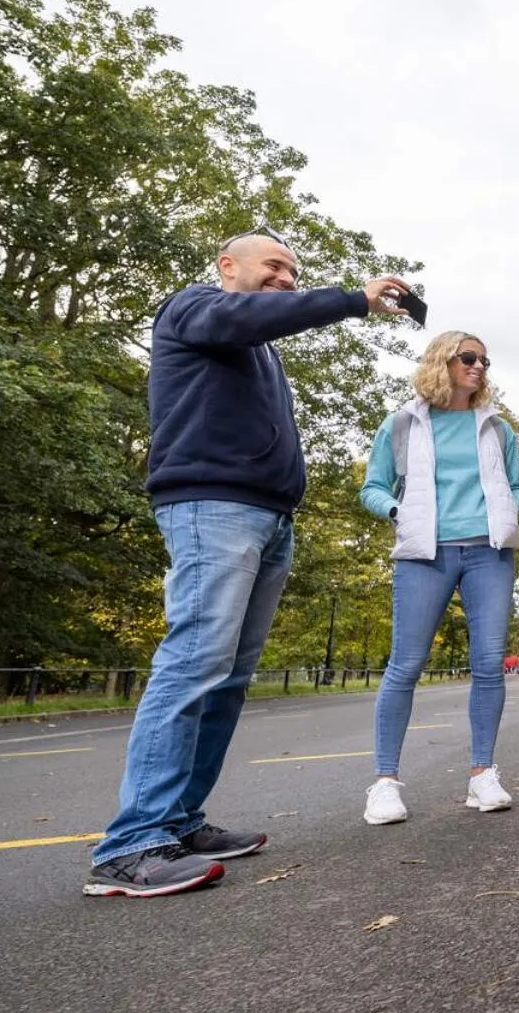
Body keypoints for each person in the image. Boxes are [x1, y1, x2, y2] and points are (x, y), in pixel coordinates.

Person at [85, 228, 409, 898]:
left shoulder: (255, 347)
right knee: (194, 661)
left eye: (294, 270)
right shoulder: (195, 307)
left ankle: (177, 821)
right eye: (274, 265)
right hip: (212, 508)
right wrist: (353, 298)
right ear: (227, 266)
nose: (286, 278)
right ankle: (130, 845)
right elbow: (248, 315)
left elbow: (259, 328)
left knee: (228, 677)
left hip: (266, 518)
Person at [358, 332, 519, 826]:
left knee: (490, 662)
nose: (479, 367)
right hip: (423, 554)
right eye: (469, 358)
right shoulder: (403, 425)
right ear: (442, 361)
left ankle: (482, 775)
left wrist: (509, 511)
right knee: (405, 665)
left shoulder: (498, 429)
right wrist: (398, 512)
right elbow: (373, 486)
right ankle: (385, 784)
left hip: (487, 554)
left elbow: (516, 486)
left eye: (484, 360)